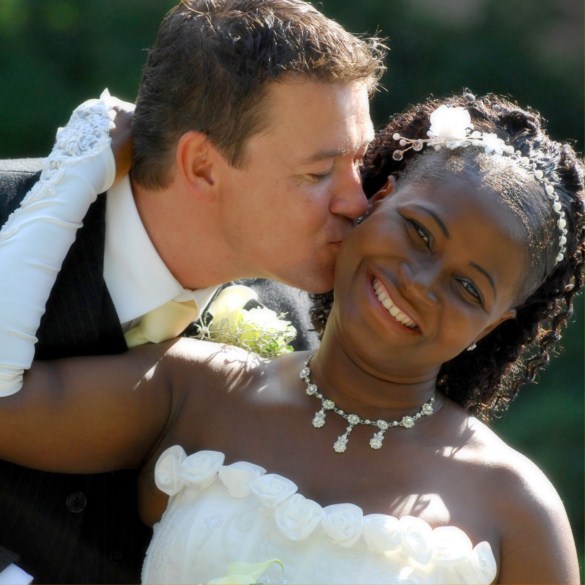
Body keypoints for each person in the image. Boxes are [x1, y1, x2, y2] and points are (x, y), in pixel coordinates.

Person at [0, 90, 582, 584]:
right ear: (379, 199)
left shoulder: (515, 508)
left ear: (495, 324)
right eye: (420, 233)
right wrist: (78, 175)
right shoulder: (194, 390)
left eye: (469, 288)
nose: (421, 283)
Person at [0, 0, 385, 581]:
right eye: (318, 172)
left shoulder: (294, 331)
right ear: (202, 165)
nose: (356, 202)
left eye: (360, 162)